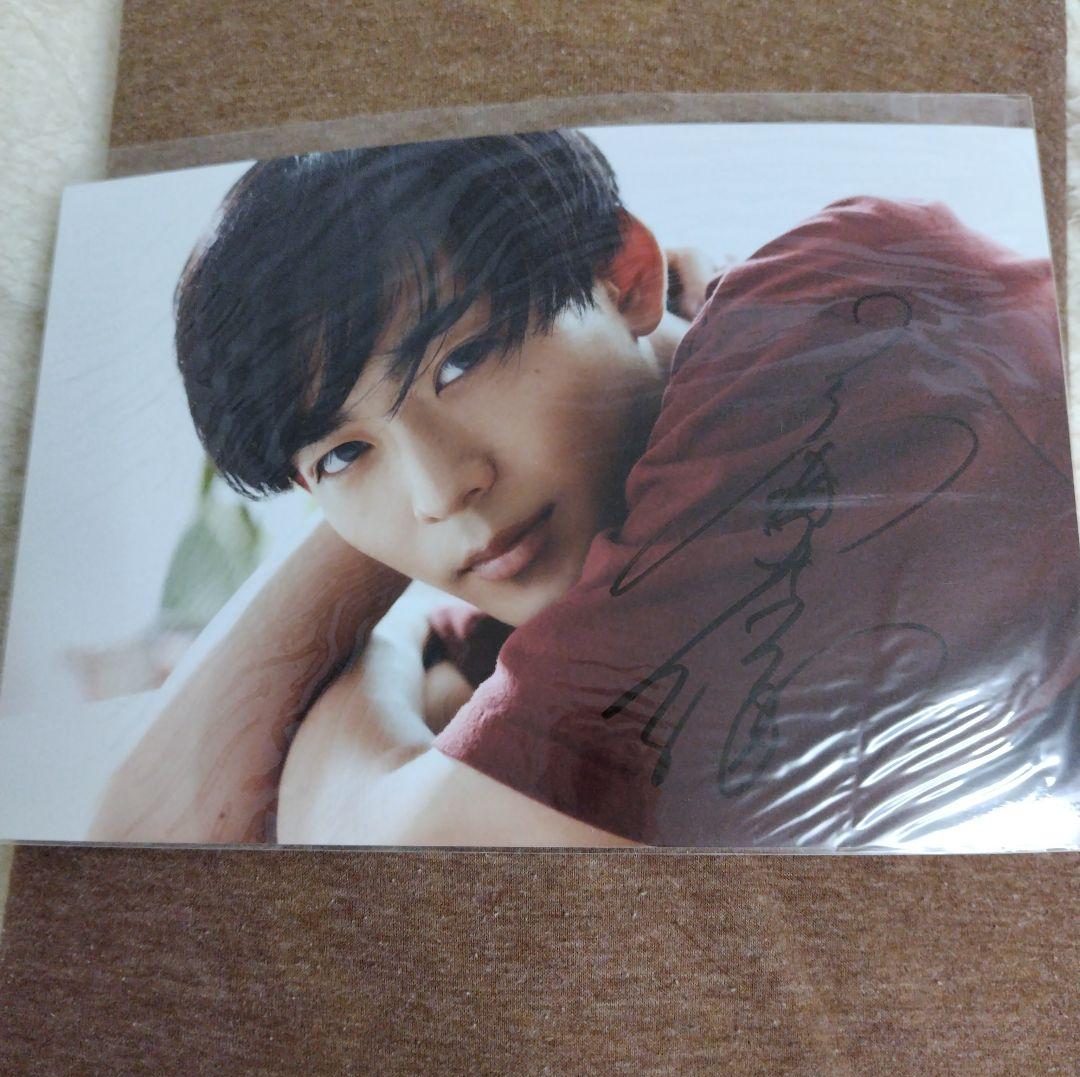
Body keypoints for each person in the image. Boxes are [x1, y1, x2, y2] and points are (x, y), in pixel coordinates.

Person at [91, 130, 1080, 849]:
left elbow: (399, 855)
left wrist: (368, 643)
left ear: (626, 274)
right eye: (344, 458)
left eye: (461, 360)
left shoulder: (819, 317)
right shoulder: (547, 621)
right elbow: (142, 844)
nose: (440, 490)